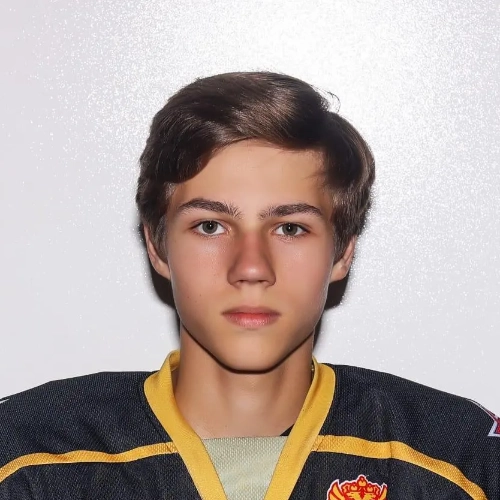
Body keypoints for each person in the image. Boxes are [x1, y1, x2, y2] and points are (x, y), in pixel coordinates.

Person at [0, 71, 498, 500]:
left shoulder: (458, 460)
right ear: (157, 245)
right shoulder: (27, 456)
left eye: (291, 228)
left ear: (343, 251)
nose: (252, 267)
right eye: (210, 226)